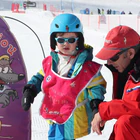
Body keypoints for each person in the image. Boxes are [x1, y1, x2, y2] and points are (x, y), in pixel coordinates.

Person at [21, 13, 106, 140]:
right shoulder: (51, 62)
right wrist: (30, 90)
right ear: (54, 40)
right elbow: (40, 77)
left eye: (71, 40)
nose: (66, 44)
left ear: (79, 40)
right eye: (61, 40)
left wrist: (96, 107)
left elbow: (96, 87)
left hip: (73, 117)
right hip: (54, 113)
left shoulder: (86, 67)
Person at [91, 25, 140, 140]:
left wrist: (107, 110)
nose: (109, 62)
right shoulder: (127, 72)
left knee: (125, 123)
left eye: (113, 57)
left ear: (130, 53)